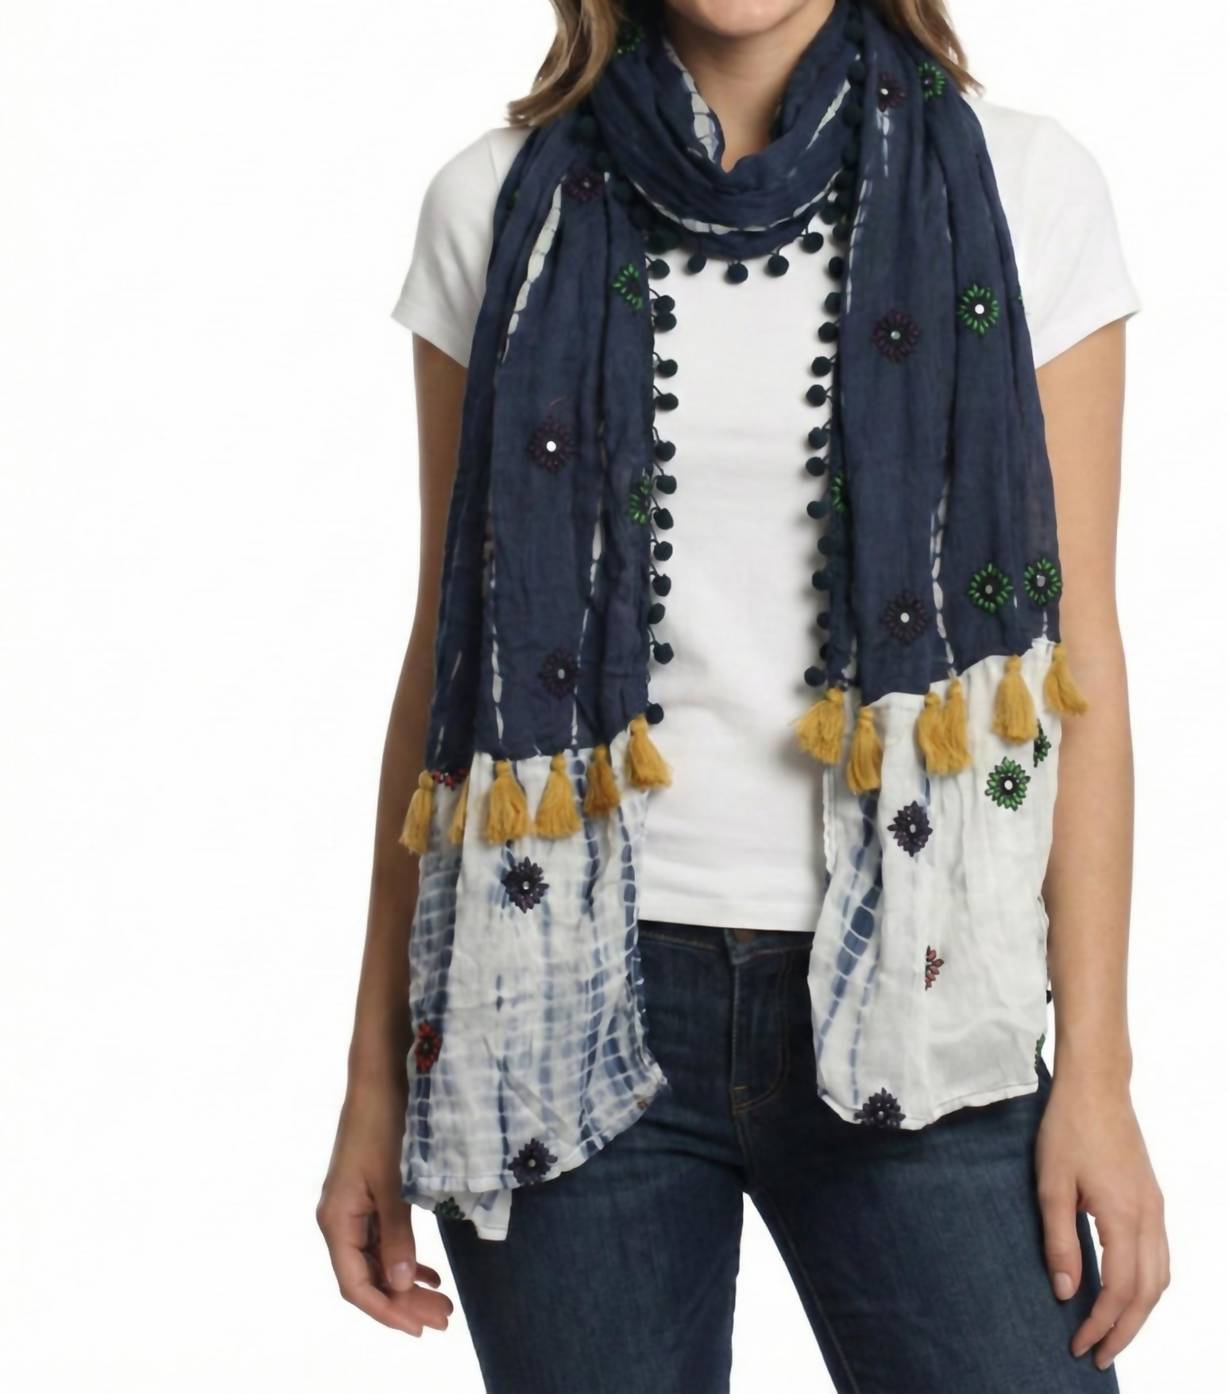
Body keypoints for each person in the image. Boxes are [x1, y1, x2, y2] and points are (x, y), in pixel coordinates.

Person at [316, 1, 1169, 1389]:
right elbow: (453, 664)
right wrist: (373, 1079)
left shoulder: (1024, 186)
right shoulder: (493, 204)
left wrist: (1099, 1078)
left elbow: (1078, 667)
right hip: (560, 991)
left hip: (926, 985)